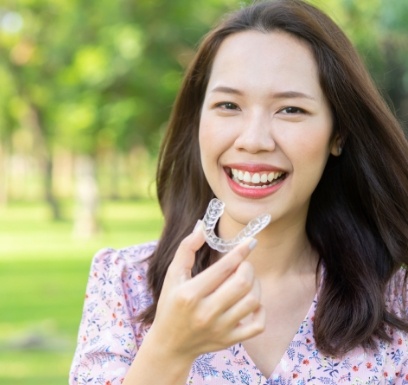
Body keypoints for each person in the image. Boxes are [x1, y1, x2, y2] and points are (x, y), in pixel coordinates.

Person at [69, 0, 408, 384]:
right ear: (198, 120)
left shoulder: (396, 299)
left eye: (290, 110)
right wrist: (169, 348)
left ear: (338, 133)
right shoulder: (124, 284)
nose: (254, 140)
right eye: (229, 105)